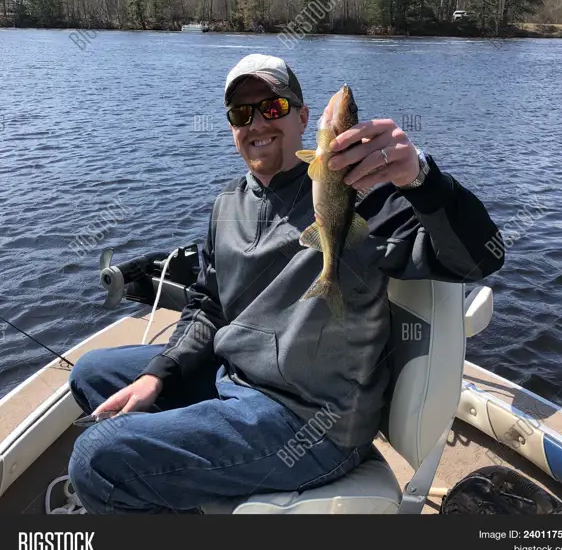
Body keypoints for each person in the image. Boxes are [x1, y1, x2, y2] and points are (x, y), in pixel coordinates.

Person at [68, 53, 504, 514]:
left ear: (303, 118)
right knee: (91, 372)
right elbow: (207, 307)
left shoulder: (365, 196)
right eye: (241, 113)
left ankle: (158, 476)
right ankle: (181, 479)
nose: (257, 122)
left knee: (95, 460)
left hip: (308, 420)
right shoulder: (227, 206)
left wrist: (421, 178)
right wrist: (159, 373)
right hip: (233, 378)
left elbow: (480, 258)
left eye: (272, 108)